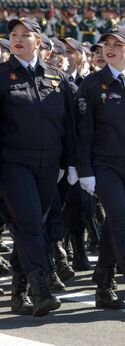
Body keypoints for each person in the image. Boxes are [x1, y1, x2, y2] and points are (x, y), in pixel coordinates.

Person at [75, 26, 125, 312]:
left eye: (117, 44)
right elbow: (83, 131)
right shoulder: (91, 84)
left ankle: (104, 286)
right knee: (123, 222)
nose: (109, 48)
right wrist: (84, 169)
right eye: (105, 44)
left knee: (115, 223)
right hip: (105, 164)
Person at [0, 18, 75, 316]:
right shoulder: (2, 77)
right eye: (14, 35)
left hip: (48, 165)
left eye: (25, 35)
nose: (18, 39)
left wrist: (70, 163)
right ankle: (40, 288)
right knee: (30, 223)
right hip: (12, 163)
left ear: (39, 42)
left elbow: (70, 126)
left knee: (29, 226)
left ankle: (18, 291)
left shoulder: (57, 78)